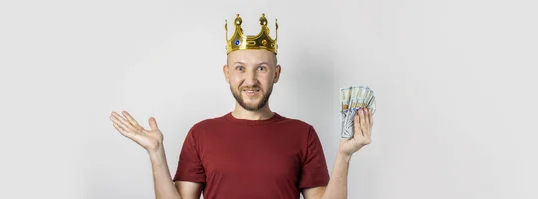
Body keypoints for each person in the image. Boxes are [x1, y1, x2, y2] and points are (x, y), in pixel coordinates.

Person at [109, 13, 374, 199]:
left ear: (276, 73)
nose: (250, 80)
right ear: (227, 73)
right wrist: (156, 153)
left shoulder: (302, 134)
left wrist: (345, 156)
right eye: (240, 69)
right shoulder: (201, 134)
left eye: (261, 68)